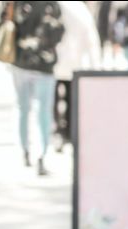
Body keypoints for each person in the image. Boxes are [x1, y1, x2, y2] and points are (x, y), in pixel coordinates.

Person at [1, 1, 65, 175]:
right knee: (42, 111)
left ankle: (27, 151)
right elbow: (59, 31)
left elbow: (2, 24)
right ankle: (40, 154)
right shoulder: (51, 4)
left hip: (22, 61)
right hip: (43, 63)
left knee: (25, 109)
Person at [54, 1, 101, 151]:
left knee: (54, 100)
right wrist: (95, 65)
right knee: (71, 100)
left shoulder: (56, 5)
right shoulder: (79, 8)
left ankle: (58, 131)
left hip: (54, 62)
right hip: (73, 63)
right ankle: (68, 132)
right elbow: (91, 37)